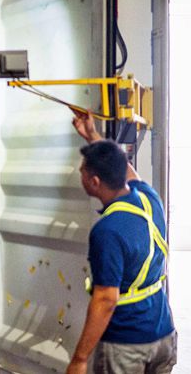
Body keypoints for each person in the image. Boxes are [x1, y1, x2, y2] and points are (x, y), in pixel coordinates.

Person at [67, 111, 176, 374]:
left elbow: (106, 299)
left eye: (82, 171)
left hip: (127, 346)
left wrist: (80, 358)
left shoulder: (107, 231)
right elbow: (127, 170)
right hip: (163, 334)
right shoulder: (149, 199)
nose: (80, 174)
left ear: (94, 182)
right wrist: (93, 135)